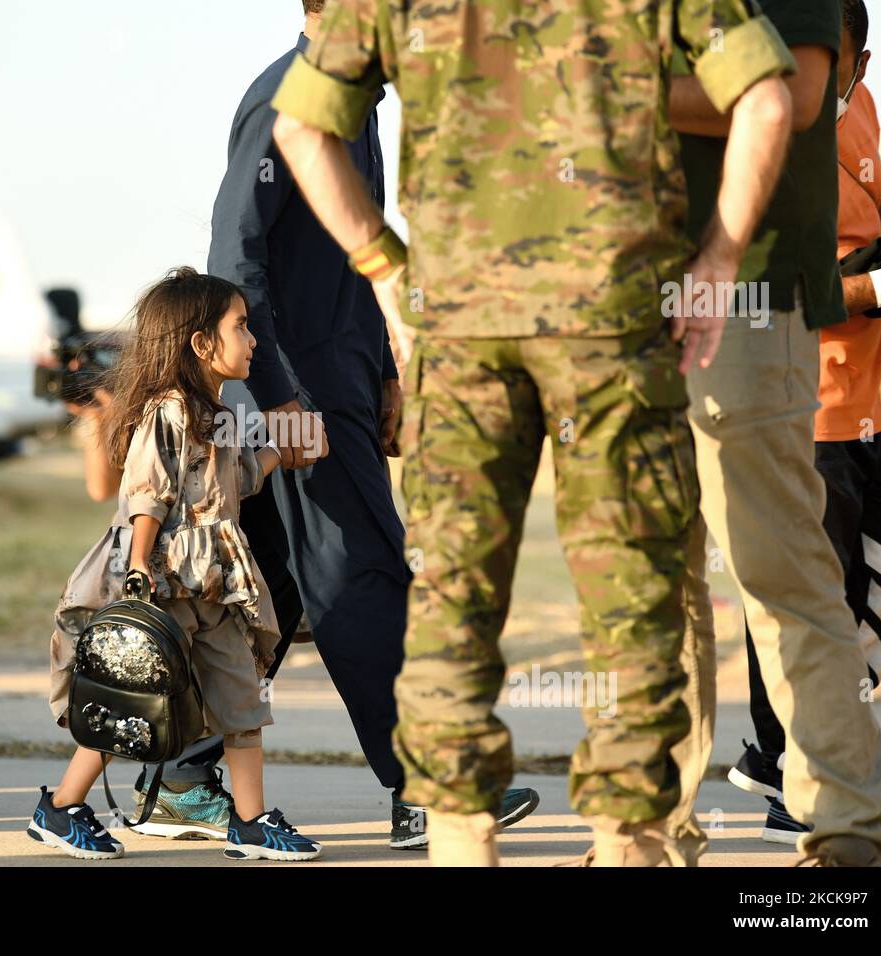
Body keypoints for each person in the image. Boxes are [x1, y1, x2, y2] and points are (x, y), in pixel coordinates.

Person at [272, 0, 796, 866]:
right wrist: (718, 259)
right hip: (616, 323)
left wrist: (384, 269)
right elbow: (770, 101)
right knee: (631, 602)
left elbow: (301, 128)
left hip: (462, 325)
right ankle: (631, 846)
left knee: (451, 606)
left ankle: (460, 843)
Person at [206, 0, 539, 850]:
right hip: (300, 398)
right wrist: (277, 396)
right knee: (364, 574)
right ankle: (423, 785)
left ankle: (178, 771)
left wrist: (388, 373)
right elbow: (232, 259)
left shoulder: (356, 103)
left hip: (343, 383)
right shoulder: (284, 97)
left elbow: (357, 257)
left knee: (274, 592)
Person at [667, 0, 881, 867]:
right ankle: (651, 834)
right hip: (632, 298)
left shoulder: (828, 73)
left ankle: (841, 832)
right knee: (655, 587)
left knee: (786, 578)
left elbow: (786, 95)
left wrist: (598, 85)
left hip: (748, 302)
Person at [30, 267, 324, 861]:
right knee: (128, 699)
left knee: (242, 696)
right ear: (202, 343)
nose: (254, 340)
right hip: (164, 578)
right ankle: (60, 810)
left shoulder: (215, 413)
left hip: (214, 580)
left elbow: (233, 482)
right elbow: (147, 493)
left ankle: (250, 823)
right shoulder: (169, 411)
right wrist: (139, 570)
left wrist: (278, 451)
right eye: (241, 327)